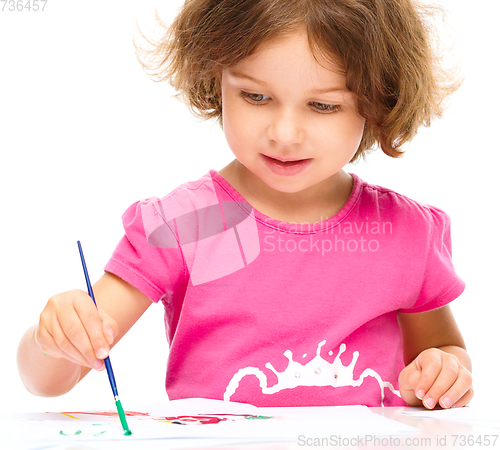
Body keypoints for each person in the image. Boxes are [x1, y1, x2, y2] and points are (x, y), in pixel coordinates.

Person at [18, 0, 473, 409]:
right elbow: (50, 380)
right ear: (215, 80)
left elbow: (445, 356)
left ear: (378, 104)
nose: (284, 133)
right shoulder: (187, 224)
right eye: (255, 96)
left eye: (323, 105)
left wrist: (440, 374)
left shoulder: (404, 232)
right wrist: (53, 340)